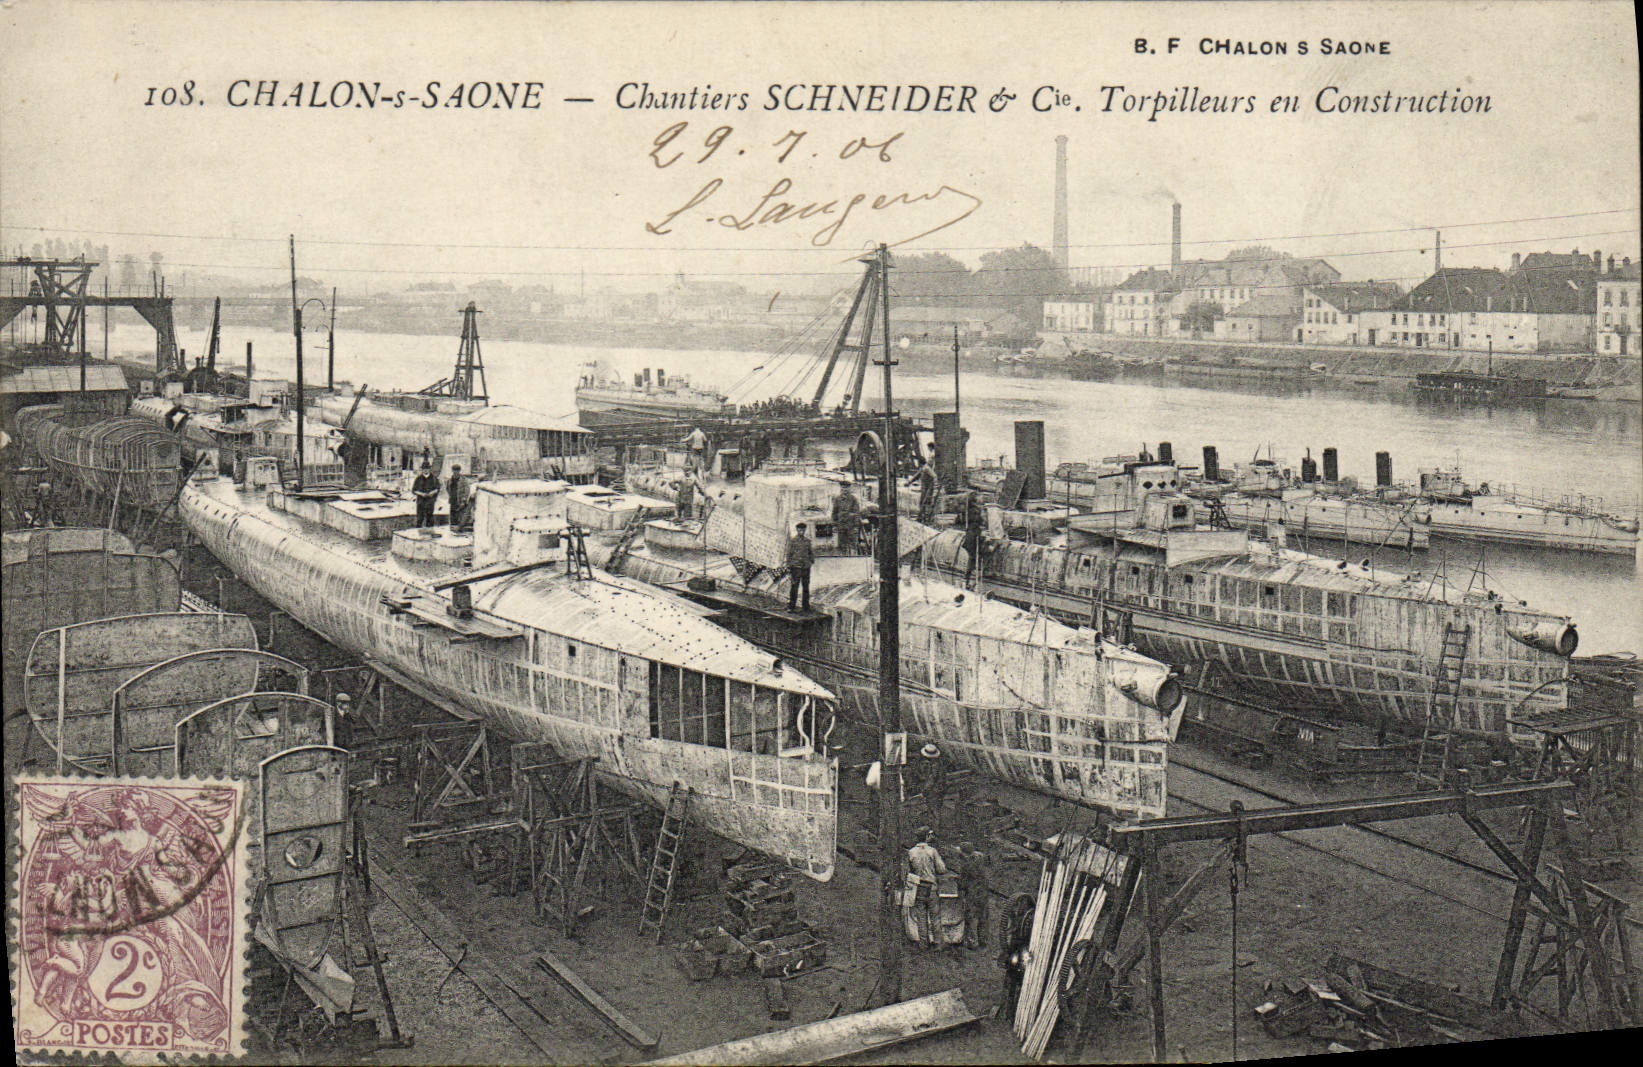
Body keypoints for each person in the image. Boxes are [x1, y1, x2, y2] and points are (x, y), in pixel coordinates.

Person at [906, 832, 947, 948]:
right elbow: (941, 869)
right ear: (927, 837)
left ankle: (923, 944)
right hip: (931, 886)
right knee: (935, 916)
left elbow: (909, 871)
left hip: (918, 887)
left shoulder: (911, 852)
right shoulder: (932, 851)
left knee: (921, 916)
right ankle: (938, 943)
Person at [955, 842, 991, 950]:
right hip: (983, 892)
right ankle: (983, 941)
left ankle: (972, 942)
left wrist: (958, 883)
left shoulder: (966, 865)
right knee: (983, 917)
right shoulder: (980, 857)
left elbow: (963, 883)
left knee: (970, 917)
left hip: (972, 893)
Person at [913, 742, 946, 833]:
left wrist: (924, 791)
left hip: (935, 791)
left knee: (934, 810)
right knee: (934, 810)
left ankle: (936, 831)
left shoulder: (935, 766)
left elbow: (932, 780)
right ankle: (933, 830)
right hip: (938, 790)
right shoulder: (937, 764)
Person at [785, 522, 813, 611]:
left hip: (806, 568)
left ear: (805, 530)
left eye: (803, 530)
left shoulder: (807, 541)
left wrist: (811, 561)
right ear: (797, 530)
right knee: (794, 587)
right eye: (800, 529)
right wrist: (789, 565)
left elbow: (810, 553)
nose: (802, 531)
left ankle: (806, 606)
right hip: (796, 567)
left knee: (806, 587)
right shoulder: (793, 541)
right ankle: (791, 606)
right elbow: (789, 554)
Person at [911, 447, 939, 523]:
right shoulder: (923, 468)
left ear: (920, 463)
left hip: (928, 489)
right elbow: (916, 476)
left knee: (925, 503)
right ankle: (921, 518)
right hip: (924, 489)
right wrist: (909, 482)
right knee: (922, 503)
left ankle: (926, 518)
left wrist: (934, 486)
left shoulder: (926, 468)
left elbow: (934, 476)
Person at [832, 487, 861, 555]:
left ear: (849, 489)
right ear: (841, 489)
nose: (844, 490)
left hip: (851, 525)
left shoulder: (853, 499)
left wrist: (856, 526)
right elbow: (834, 513)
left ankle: (853, 557)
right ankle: (843, 557)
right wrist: (834, 525)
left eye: (846, 488)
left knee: (852, 544)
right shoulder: (837, 499)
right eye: (843, 488)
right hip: (841, 525)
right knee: (842, 545)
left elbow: (856, 513)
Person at [412, 462, 440, 528]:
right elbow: (414, 490)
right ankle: (418, 532)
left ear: (430, 469)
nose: (425, 470)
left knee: (430, 519)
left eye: (427, 468)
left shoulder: (434, 478)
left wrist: (432, 492)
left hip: (430, 502)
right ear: (422, 469)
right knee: (419, 519)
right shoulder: (418, 479)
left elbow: (437, 488)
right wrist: (421, 494)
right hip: (421, 502)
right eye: (424, 469)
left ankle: (430, 532)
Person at [447, 463, 472, 531]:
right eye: (454, 470)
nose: (455, 472)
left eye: (457, 470)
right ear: (452, 470)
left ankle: (460, 530)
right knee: (452, 518)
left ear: (459, 471)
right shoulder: (450, 480)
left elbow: (467, 491)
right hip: (452, 501)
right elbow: (448, 489)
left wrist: (463, 501)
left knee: (461, 517)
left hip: (460, 502)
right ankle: (453, 531)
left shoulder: (464, 480)